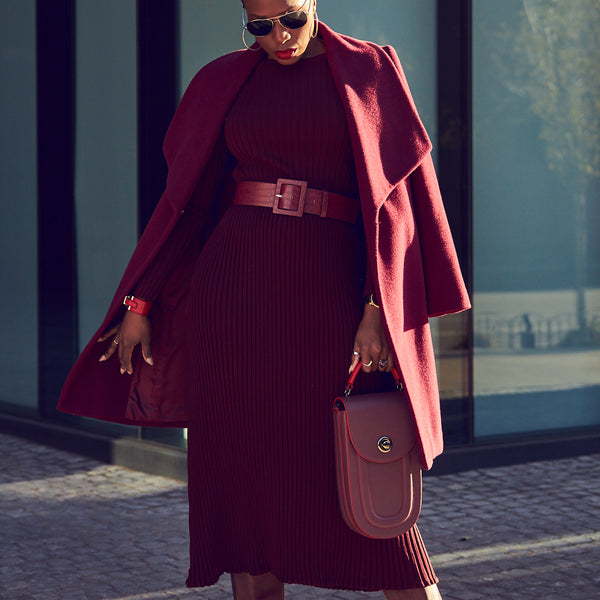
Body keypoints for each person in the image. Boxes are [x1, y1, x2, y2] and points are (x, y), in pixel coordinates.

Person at [58, 1, 470, 598]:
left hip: (328, 299)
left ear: (313, 4)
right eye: (260, 25)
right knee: (244, 494)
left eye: (292, 19)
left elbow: (394, 211)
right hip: (232, 298)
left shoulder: (367, 70)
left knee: (364, 490)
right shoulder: (227, 80)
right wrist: (140, 303)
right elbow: (189, 207)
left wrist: (376, 310)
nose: (279, 37)